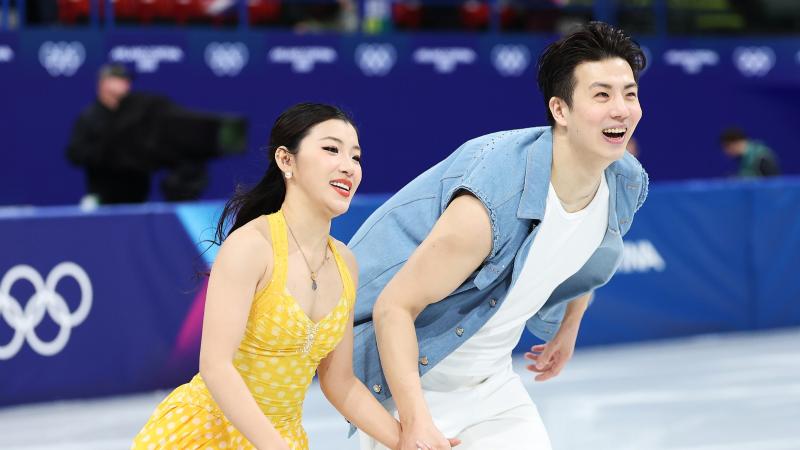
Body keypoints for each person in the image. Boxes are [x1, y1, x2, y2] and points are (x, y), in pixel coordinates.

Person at [349, 22, 649, 450]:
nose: (621, 109)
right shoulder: (492, 201)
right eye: (601, 95)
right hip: (415, 385)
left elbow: (589, 256)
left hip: (493, 385)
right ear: (560, 110)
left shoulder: (624, 181)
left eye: (629, 94)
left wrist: (568, 327)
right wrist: (415, 422)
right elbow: (393, 306)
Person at [132, 103, 402, 450]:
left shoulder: (345, 262)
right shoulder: (251, 247)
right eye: (331, 149)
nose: (348, 166)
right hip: (206, 436)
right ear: (286, 160)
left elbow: (340, 382)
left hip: (280, 438)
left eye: (356, 156)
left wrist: (407, 441)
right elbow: (216, 367)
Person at [66, 63, 247, 205]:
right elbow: (75, 154)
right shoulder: (90, 116)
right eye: (120, 79)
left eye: (127, 80)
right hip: (103, 198)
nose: (126, 84)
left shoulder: (137, 112)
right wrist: (108, 150)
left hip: (137, 198)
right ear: (104, 83)